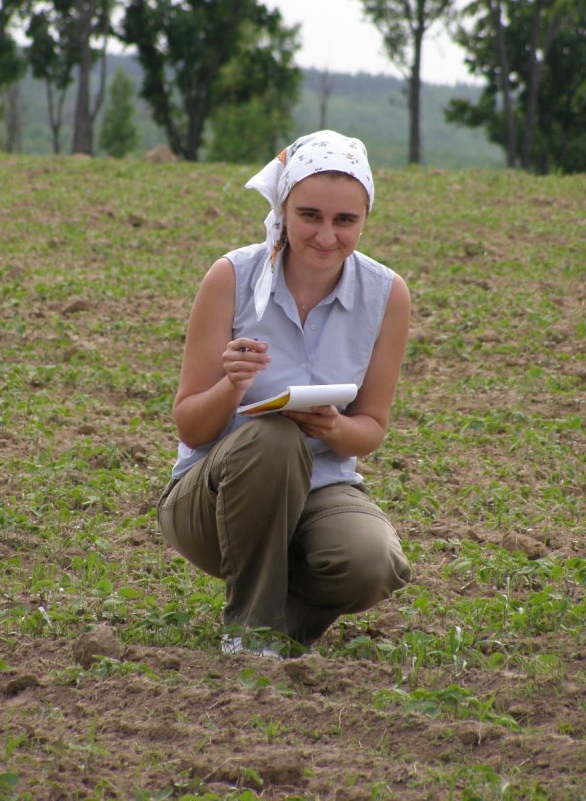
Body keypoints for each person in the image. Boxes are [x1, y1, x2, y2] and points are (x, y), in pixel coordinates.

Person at [158, 130, 411, 656]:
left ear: (365, 219)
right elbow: (189, 425)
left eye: (346, 220)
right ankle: (250, 632)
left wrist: (334, 428)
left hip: (320, 490)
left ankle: (279, 625)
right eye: (310, 215)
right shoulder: (231, 277)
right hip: (214, 499)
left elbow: (371, 428)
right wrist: (231, 386)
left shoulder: (386, 295)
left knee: (373, 563)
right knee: (273, 439)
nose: (326, 235)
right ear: (284, 208)